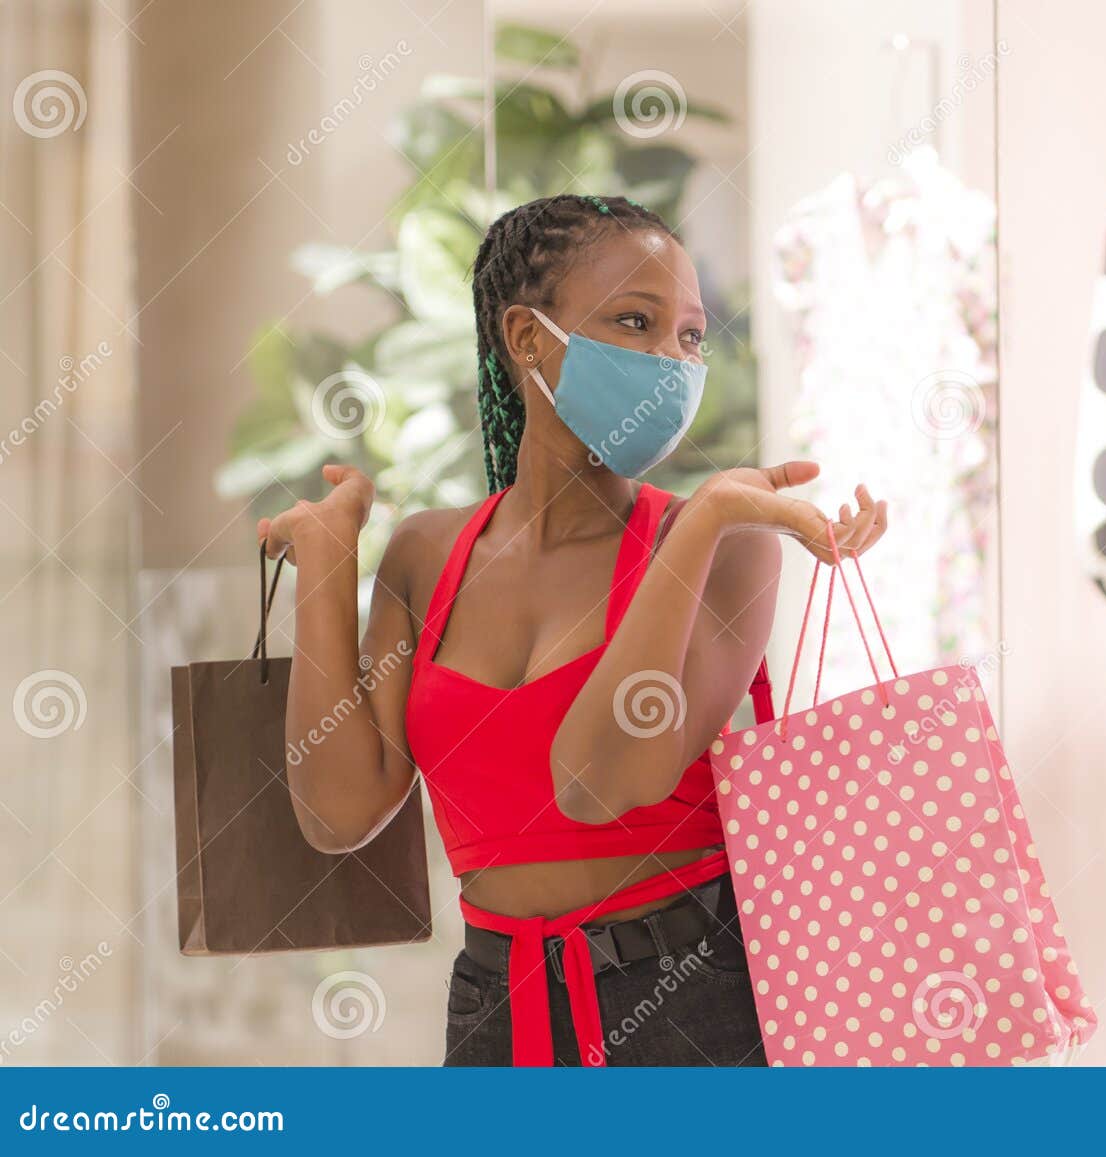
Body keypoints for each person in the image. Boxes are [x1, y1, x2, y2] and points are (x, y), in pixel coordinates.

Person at [258, 194, 887, 1066]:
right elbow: (340, 813)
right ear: (526, 338)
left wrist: (700, 524)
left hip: (693, 1000)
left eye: (692, 336)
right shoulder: (423, 555)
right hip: (494, 1007)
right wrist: (328, 563)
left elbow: (599, 782)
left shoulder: (730, 544)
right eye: (637, 321)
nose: (673, 359)